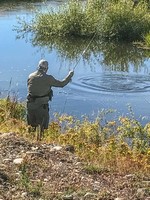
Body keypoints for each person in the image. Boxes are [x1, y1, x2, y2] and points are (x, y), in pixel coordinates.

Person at [27, 59, 74, 135]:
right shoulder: (48, 78)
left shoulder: (30, 76)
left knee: (31, 127)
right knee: (41, 128)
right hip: (41, 107)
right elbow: (62, 84)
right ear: (47, 68)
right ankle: (39, 142)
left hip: (30, 105)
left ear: (38, 67)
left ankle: (30, 141)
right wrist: (70, 75)